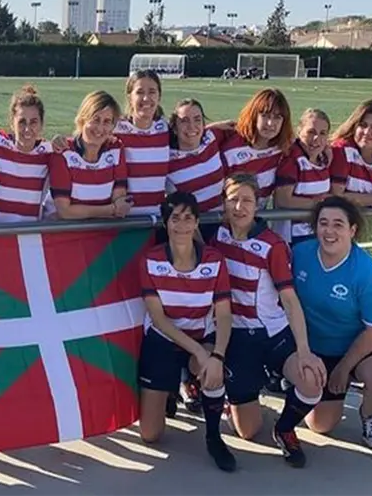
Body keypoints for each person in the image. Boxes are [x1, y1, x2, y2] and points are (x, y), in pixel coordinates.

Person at [211, 173, 326, 468]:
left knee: (311, 379)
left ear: (258, 205)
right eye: (233, 199)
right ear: (223, 203)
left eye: (247, 200)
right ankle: (242, 394)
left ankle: (285, 427)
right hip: (237, 339)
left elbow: (289, 299)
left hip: (273, 333)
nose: (239, 207)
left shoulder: (271, 245)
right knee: (248, 431)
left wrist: (303, 349)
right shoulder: (217, 238)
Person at [292, 196, 372, 449]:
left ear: (352, 230)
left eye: (338, 224)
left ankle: (369, 412)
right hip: (321, 347)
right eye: (323, 223)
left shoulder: (368, 274)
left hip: (365, 345)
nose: (329, 231)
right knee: (321, 425)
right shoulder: (300, 254)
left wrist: (344, 368)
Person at [137, 192, 235, 472]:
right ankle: (171, 388)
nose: (181, 225)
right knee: (150, 435)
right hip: (162, 340)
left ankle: (214, 438)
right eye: (174, 218)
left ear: (197, 223)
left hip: (201, 338)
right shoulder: (150, 260)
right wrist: (198, 352)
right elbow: (159, 319)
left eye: (188, 218)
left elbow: (225, 315)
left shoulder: (215, 259)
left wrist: (216, 355)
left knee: (213, 370)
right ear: (166, 223)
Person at [48, 90, 133, 220]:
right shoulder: (63, 152)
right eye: (95, 120)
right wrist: (111, 209)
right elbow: (65, 211)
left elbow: (119, 202)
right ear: (82, 119)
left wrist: (114, 209)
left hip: (99, 235)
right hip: (64, 235)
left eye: (106, 122)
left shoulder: (116, 148)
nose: (99, 128)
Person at [0, 84, 53, 223]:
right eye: (21, 122)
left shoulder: (49, 153)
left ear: (41, 124)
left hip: (29, 233)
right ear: (11, 123)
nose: (27, 129)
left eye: (33, 122)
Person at [218, 88, 294, 208]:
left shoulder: (283, 148)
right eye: (265, 115)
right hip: (229, 219)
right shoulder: (231, 150)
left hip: (257, 221)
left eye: (277, 117)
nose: (270, 123)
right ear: (254, 115)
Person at [166, 99, 225, 240]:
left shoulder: (211, 139)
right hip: (192, 234)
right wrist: (201, 248)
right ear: (175, 127)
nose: (192, 126)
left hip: (222, 227)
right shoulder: (167, 160)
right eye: (184, 121)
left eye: (197, 120)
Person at [114, 70, 169, 216]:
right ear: (129, 97)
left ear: (159, 96)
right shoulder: (115, 129)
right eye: (139, 92)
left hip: (156, 221)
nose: (146, 98)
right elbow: (86, 137)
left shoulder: (165, 128)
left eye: (152, 92)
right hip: (123, 221)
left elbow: (191, 131)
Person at [274, 108, 332, 245]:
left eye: (323, 133)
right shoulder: (291, 159)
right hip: (293, 237)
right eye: (311, 132)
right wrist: (320, 204)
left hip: (317, 232)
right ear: (299, 131)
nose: (316, 139)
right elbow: (283, 200)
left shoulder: (323, 157)